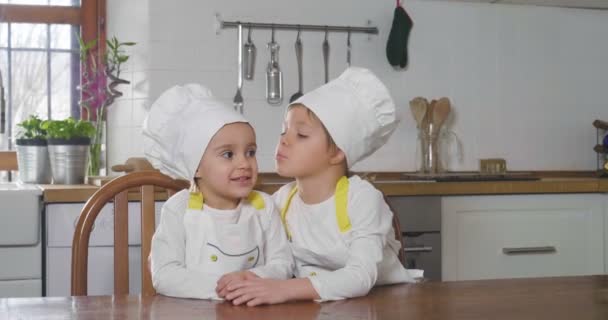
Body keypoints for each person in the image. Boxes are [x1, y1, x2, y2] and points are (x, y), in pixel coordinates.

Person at [218, 67, 423, 306]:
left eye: (301, 134)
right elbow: (279, 264)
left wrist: (283, 290)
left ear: (337, 152)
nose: (283, 139)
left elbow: (360, 276)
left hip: (381, 304)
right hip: (318, 305)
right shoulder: (281, 201)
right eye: (284, 130)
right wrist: (250, 276)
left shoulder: (362, 199)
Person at [142, 84, 293, 299]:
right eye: (228, 154)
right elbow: (165, 275)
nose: (244, 163)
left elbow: (283, 264)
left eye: (250, 152)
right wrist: (226, 287)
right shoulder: (178, 209)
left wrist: (249, 282)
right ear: (196, 167)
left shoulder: (264, 207)